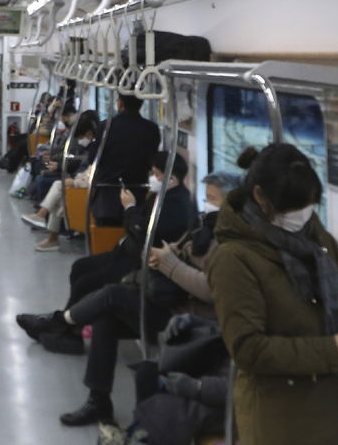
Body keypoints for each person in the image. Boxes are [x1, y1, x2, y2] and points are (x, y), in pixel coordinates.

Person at [206, 144, 338, 445]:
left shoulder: (317, 237)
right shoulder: (234, 259)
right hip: (284, 418)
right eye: (293, 208)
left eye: (308, 205)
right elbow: (248, 348)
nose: (302, 215)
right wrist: (330, 352)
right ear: (260, 197)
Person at [34, 170, 236, 427]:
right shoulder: (201, 226)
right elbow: (172, 248)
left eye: (213, 198)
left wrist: (169, 264)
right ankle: (99, 401)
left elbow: (211, 289)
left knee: (112, 295)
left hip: (193, 321)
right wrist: (165, 254)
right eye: (206, 196)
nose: (207, 202)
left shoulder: (229, 244)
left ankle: (61, 321)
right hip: (171, 302)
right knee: (105, 319)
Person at [17, 152, 197, 347]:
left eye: (155, 174)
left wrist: (129, 208)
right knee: (80, 266)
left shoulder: (177, 205)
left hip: (138, 261)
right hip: (125, 253)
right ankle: (69, 328)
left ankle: (65, 330)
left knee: (86, 282)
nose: (151, 178)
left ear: (170, 178)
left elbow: (143, 232)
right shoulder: (163, 196)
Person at [22, 110, 99, 250]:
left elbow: (89, 171)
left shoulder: (96, 149)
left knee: (56, 186)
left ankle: (45, 223)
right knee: (54, 185)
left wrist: (72, 179)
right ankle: (45, 225)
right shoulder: (91, 146)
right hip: (77, 177)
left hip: (82, 183)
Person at [90, 92, 160, 225]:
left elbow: (93, 158)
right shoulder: (152, 129)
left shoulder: (106, 126)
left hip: (107, 195)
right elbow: (152, 160)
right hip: (138, 192)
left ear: (120, 103)